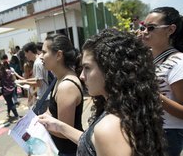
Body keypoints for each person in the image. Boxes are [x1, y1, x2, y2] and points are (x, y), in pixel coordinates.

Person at [39, 29, 167, 156]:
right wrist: (59, 126)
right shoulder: (128, 109)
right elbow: (91, 144)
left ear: (110, 69)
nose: (82, 76)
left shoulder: (107, 128)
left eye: (87, 68)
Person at [139, 6, 183, 156]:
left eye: (151, 28)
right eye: (143, 27)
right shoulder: (145, 58)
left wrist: (152, 93)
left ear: (170, 30)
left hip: (168, 133)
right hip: (146, 127)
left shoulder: (179, 62)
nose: (144, 32)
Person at [40, 34, 84, 156]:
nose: (40, 57)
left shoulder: (67, 86)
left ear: (59, 55)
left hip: (68, 151)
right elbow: (50, 112)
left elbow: (65, 131)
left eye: (44, 52)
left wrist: (38, 125)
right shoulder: (58, 78)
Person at [16, 42, 49, 114]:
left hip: (44, 97)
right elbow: (39, 79)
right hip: (47, 95)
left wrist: (24, 82)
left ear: (30, 52)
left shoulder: (37, 63)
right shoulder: (40, 60)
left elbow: (39, 83)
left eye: (25, 53)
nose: (25, 56)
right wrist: (25, 80)